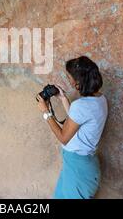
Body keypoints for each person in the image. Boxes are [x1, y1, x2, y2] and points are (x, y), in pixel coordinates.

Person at [36, 56, 108, 199]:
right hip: (79, 166)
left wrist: (46, 112)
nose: (69, 80)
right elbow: (76, 120)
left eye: (70, 78)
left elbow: (64, 137)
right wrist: (63, 98)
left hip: (78, 170)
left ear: (78, 83)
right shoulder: (100, 99)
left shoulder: (81, 106)